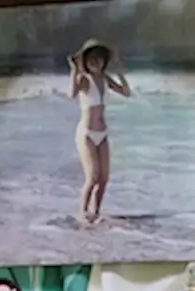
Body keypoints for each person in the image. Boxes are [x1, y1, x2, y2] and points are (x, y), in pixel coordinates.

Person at [68, 38, 132, 223]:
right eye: (91, 59)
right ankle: (82, 214)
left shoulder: (105, 79)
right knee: (92, 177)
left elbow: (126, 92)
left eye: (99, 59)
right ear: (86, 62)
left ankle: (95, 213)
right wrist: (74, 71)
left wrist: (119, 69)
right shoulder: (84, 79)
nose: (95, 63)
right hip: (86, 134)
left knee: (104, 179)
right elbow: (71, 94)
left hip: (102, 134)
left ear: (104, 61)